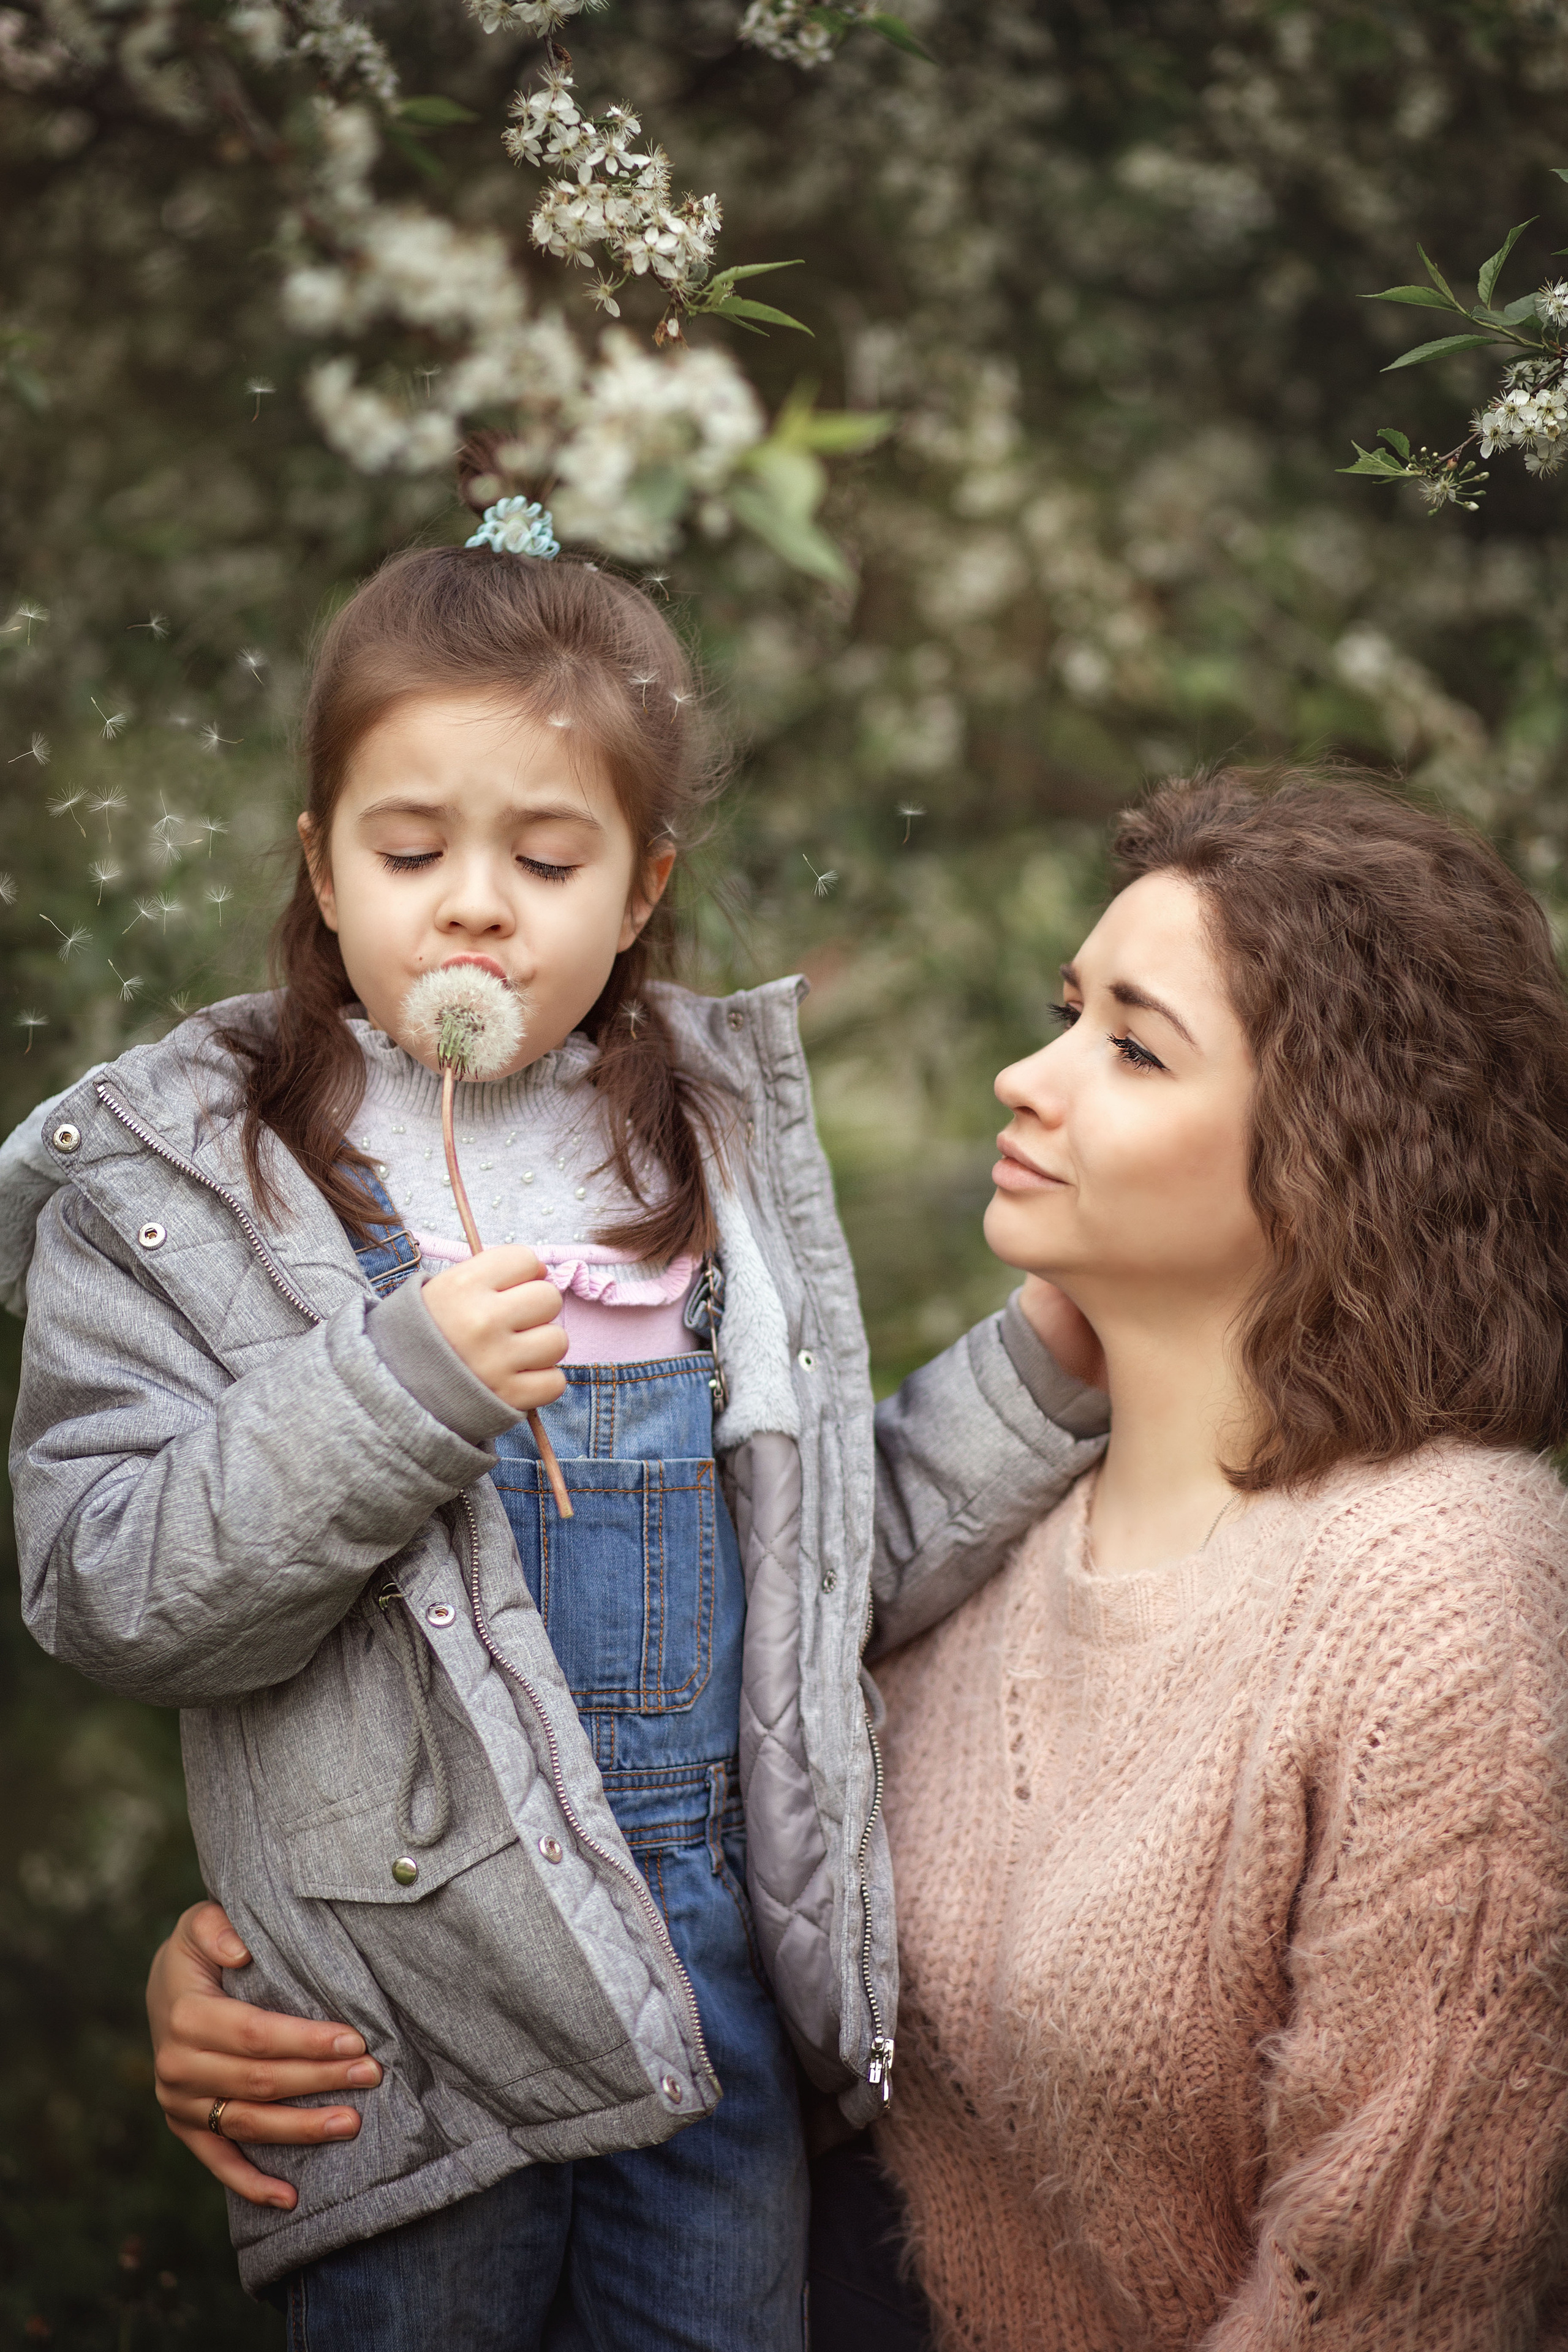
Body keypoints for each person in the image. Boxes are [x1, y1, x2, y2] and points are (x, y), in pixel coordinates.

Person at [2, 518, 1107, 2348]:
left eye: (549, 852)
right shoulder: (186, 1191)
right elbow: (111, 1589)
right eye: (411, 847)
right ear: (322, 863)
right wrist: (395, 1389)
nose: (475, 904)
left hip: (714, 2007)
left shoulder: (711, 1158)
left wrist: (1047, 1373)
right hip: (401, 2039)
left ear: (642, 884)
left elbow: (828, 1563)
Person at [865, 771, 1568, 2346]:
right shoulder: (976, 1524)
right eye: (1064, 1012)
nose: (1022, 1077)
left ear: (1337, 1137)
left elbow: (1384, 2301)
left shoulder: (1443, 1595)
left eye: (1128, 1045)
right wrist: (288, 1982)